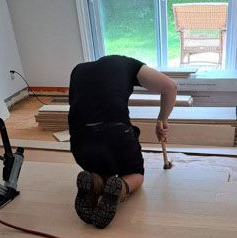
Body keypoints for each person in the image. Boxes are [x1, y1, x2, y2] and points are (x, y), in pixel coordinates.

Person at [68, 55, 177, 229]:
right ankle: (121, 187)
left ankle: (95, 181)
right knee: (135, 174)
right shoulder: (129, 65)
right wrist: (162, 120)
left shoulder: (78, 70)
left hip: (80, 140)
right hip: (116, 133)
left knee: (100, 165)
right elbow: (170, 87)